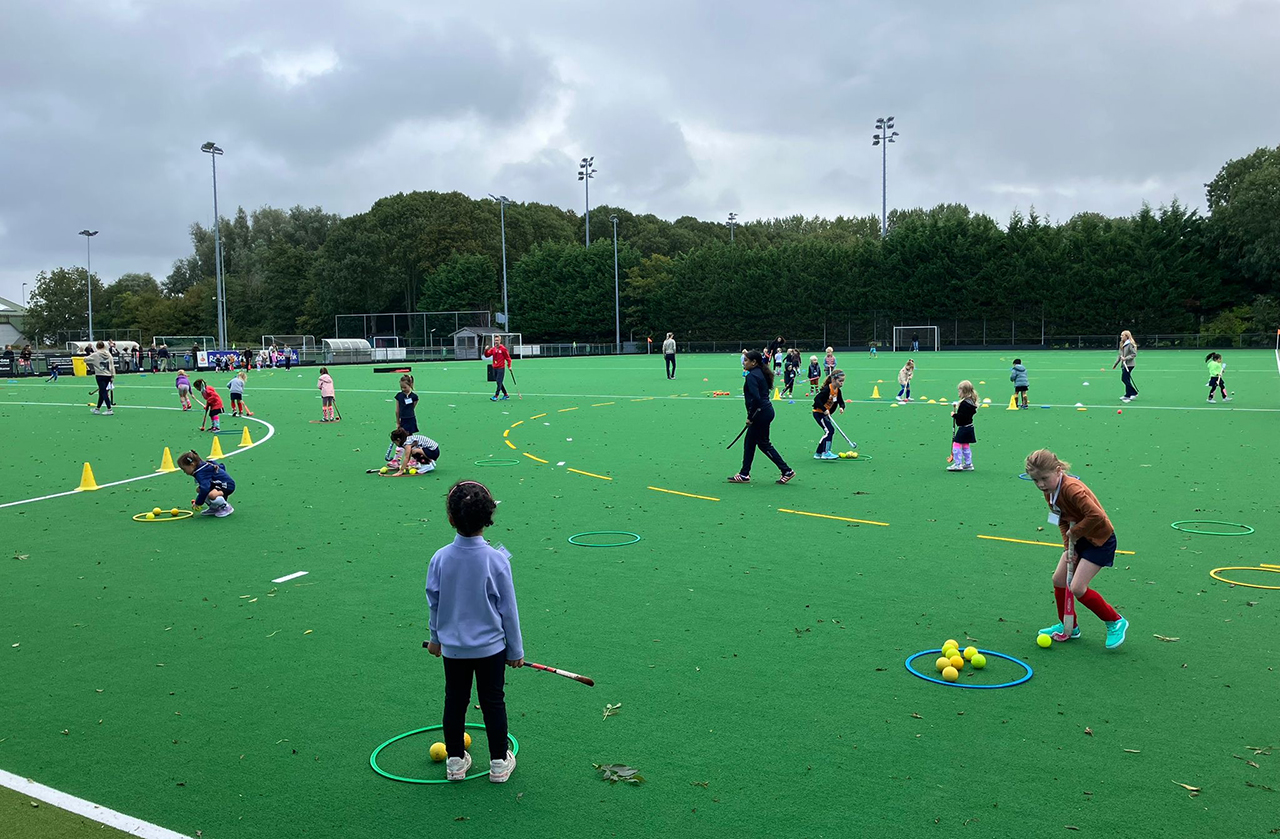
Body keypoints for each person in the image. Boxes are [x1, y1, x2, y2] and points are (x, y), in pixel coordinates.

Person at [426, 480, 523, 783]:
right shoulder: (496, 560)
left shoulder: (440, 558)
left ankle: (455, 761)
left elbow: (434, 602)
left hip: (454, 650)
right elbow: (508, 609)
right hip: (490, 650)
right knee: (493, 701)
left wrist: (436, 639)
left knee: (455, 700)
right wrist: (515, 650)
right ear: (489, 517)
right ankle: (498, 763)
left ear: (451, 519)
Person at [1024, 449, 1129, 649]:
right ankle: (1069, 625)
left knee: (1078, 588)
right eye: (1035, 481)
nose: (1041, 485)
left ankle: (1115, 621)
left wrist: (1076, 533)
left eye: (1044, 479)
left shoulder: (1072, 489)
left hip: (1099, 539)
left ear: (1058, 470)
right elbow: (1062, 521)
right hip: (1078, 539)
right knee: (1059, 579)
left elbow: (1096, 516)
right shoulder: (1050, 493)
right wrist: (1068, 548)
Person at [728, 350, 795, 484]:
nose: (744, 362)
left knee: (763, 444)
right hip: (765, 411)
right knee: (750, 442)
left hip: (760, 413)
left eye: (746, 360)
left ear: (754, 362)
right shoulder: (759, 372)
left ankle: (786, 470)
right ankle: (744, 473)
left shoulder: (752, 376)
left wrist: (750, 417)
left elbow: (755, 398)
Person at [178, 450, 235, 518]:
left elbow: (205, 488)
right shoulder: (201, 466)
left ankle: (226, 507)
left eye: (184, 469)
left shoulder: (201, 473)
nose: (184, 472)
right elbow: (220, 466)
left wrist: (198, 503)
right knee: (199, 490)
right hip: (216, 483)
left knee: (212, 495)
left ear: (192, 465)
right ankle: (214, 508)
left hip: (227, 484)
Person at [811, 368, 848, 460]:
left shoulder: (838, 391)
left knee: (828, 431)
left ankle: (818, 453)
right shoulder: (827, 389)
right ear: (834, 380)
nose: (841, 383)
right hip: (819, 413)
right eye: (840, 381)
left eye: (843, 381)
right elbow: (817, 399)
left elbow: (841, 401)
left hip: (826, 415)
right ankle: (826, 452)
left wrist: (842, 407)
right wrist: (824, 409)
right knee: (829, 431)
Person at [947, 380, 979, 472]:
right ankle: (968, 464)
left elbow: (962, 417)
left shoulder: (964, 404)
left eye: (959, 391)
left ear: (964, 391)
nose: (958, 392)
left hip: (964, 428)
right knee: (965, 444)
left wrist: (954, 415)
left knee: (956, 444)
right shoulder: (971, 402)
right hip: (970, 427)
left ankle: (958, 464)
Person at [85, 341, 116, 415]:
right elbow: (112, 366)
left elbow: (86, 359)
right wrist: (113, 375)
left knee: (103, 392)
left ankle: (109, 409)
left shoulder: (96, 354)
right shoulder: (109, 354)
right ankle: (97, 409)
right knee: (101, 392)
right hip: (108, 375)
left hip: (100, 375)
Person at [484, 336, 512, 401]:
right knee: (498, 382)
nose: (496, 342)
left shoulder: (503, 349)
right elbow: (487, 355)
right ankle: (506, 394)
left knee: (499, 381)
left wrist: (509, 366)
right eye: (495, 340)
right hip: (494, 367)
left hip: (501, 368)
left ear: (500, 341)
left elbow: (508, 358)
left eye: (497, 340)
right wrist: (486, 350)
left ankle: (496, 396)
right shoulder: (493, 349)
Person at [1113, 330, 1138, 402]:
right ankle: (1129, 394)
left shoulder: (1130, 344)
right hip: (1123, 365)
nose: (1121, 337)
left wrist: (1126, 358)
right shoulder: (1121, 344)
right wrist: (1115, 364)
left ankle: (1132, 393)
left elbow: (1134, 354)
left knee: (1124, 378)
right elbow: (1120, 355)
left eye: (1122, 335)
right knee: (1126, 379)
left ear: (1126, 336)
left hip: (1130, 365)